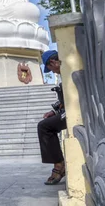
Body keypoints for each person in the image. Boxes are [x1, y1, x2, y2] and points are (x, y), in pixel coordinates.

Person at [37, 50, 67, 185]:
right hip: (67, 109)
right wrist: (54, 112)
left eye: (50, 68)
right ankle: (59, 164)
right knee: (46, 122)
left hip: (75, 110)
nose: (53, 72)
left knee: (44, 126)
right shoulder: (64, 73)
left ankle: (59, 165)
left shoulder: (67, 71)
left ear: (54, 62)